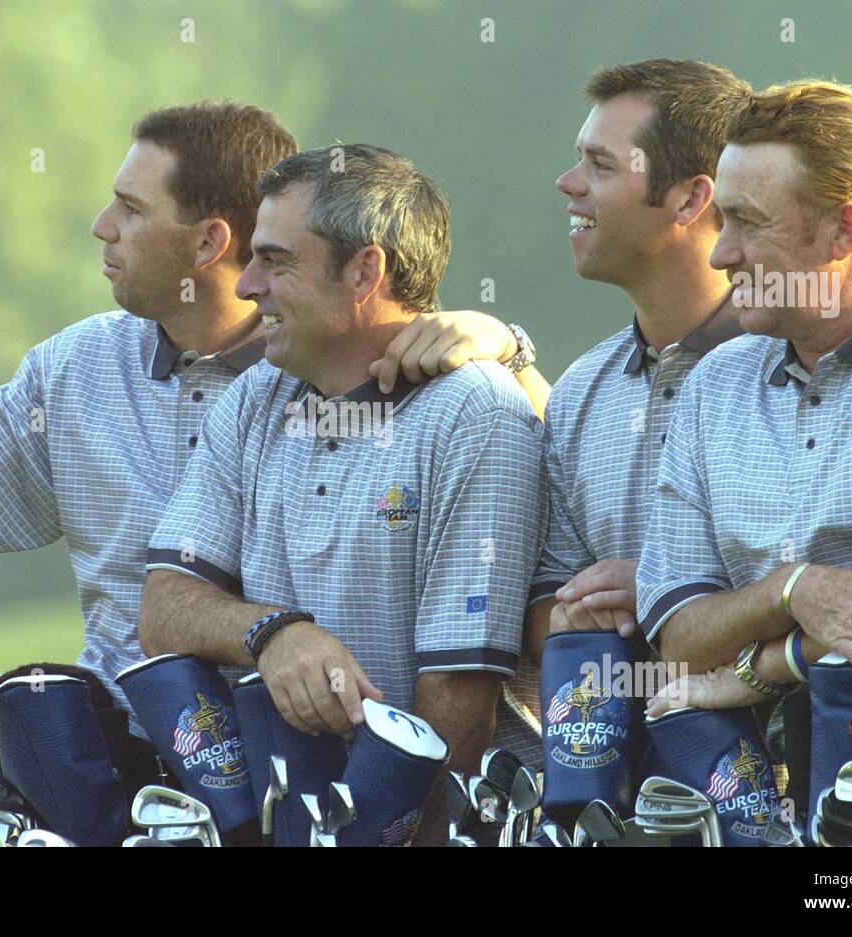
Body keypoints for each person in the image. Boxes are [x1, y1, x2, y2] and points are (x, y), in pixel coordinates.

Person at [0, 102, 543, 790]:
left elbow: (510, 442)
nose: (99, 227)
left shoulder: (393, 374)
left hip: (320, 787)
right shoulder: (87, 369)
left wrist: (510, 347)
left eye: (132, 209)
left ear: (210, 242)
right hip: (147, 779)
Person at [138, 145, 547, 844]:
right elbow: (164, 604)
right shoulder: (255, 397)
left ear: (365, 272)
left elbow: (456, 710)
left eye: (277, 261)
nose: (247, 286)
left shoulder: (476, 414)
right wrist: (272, 632)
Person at [636, 80, 852, 721]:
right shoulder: (714, 381)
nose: (721, 254)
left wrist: (769, 666)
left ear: (842, 231)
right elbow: (678, 643)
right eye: (722, 221)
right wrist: (789, 590)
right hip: (758, 790)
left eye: (749, 222)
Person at [522, 58, 751, 668]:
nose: (568, 183)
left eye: (600, 165)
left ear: (690, 198)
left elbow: (836, 581)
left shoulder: (792, 370)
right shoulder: (578, 392)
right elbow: (547, 611)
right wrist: (578, 609)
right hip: (621, 757)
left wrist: (668, 595)